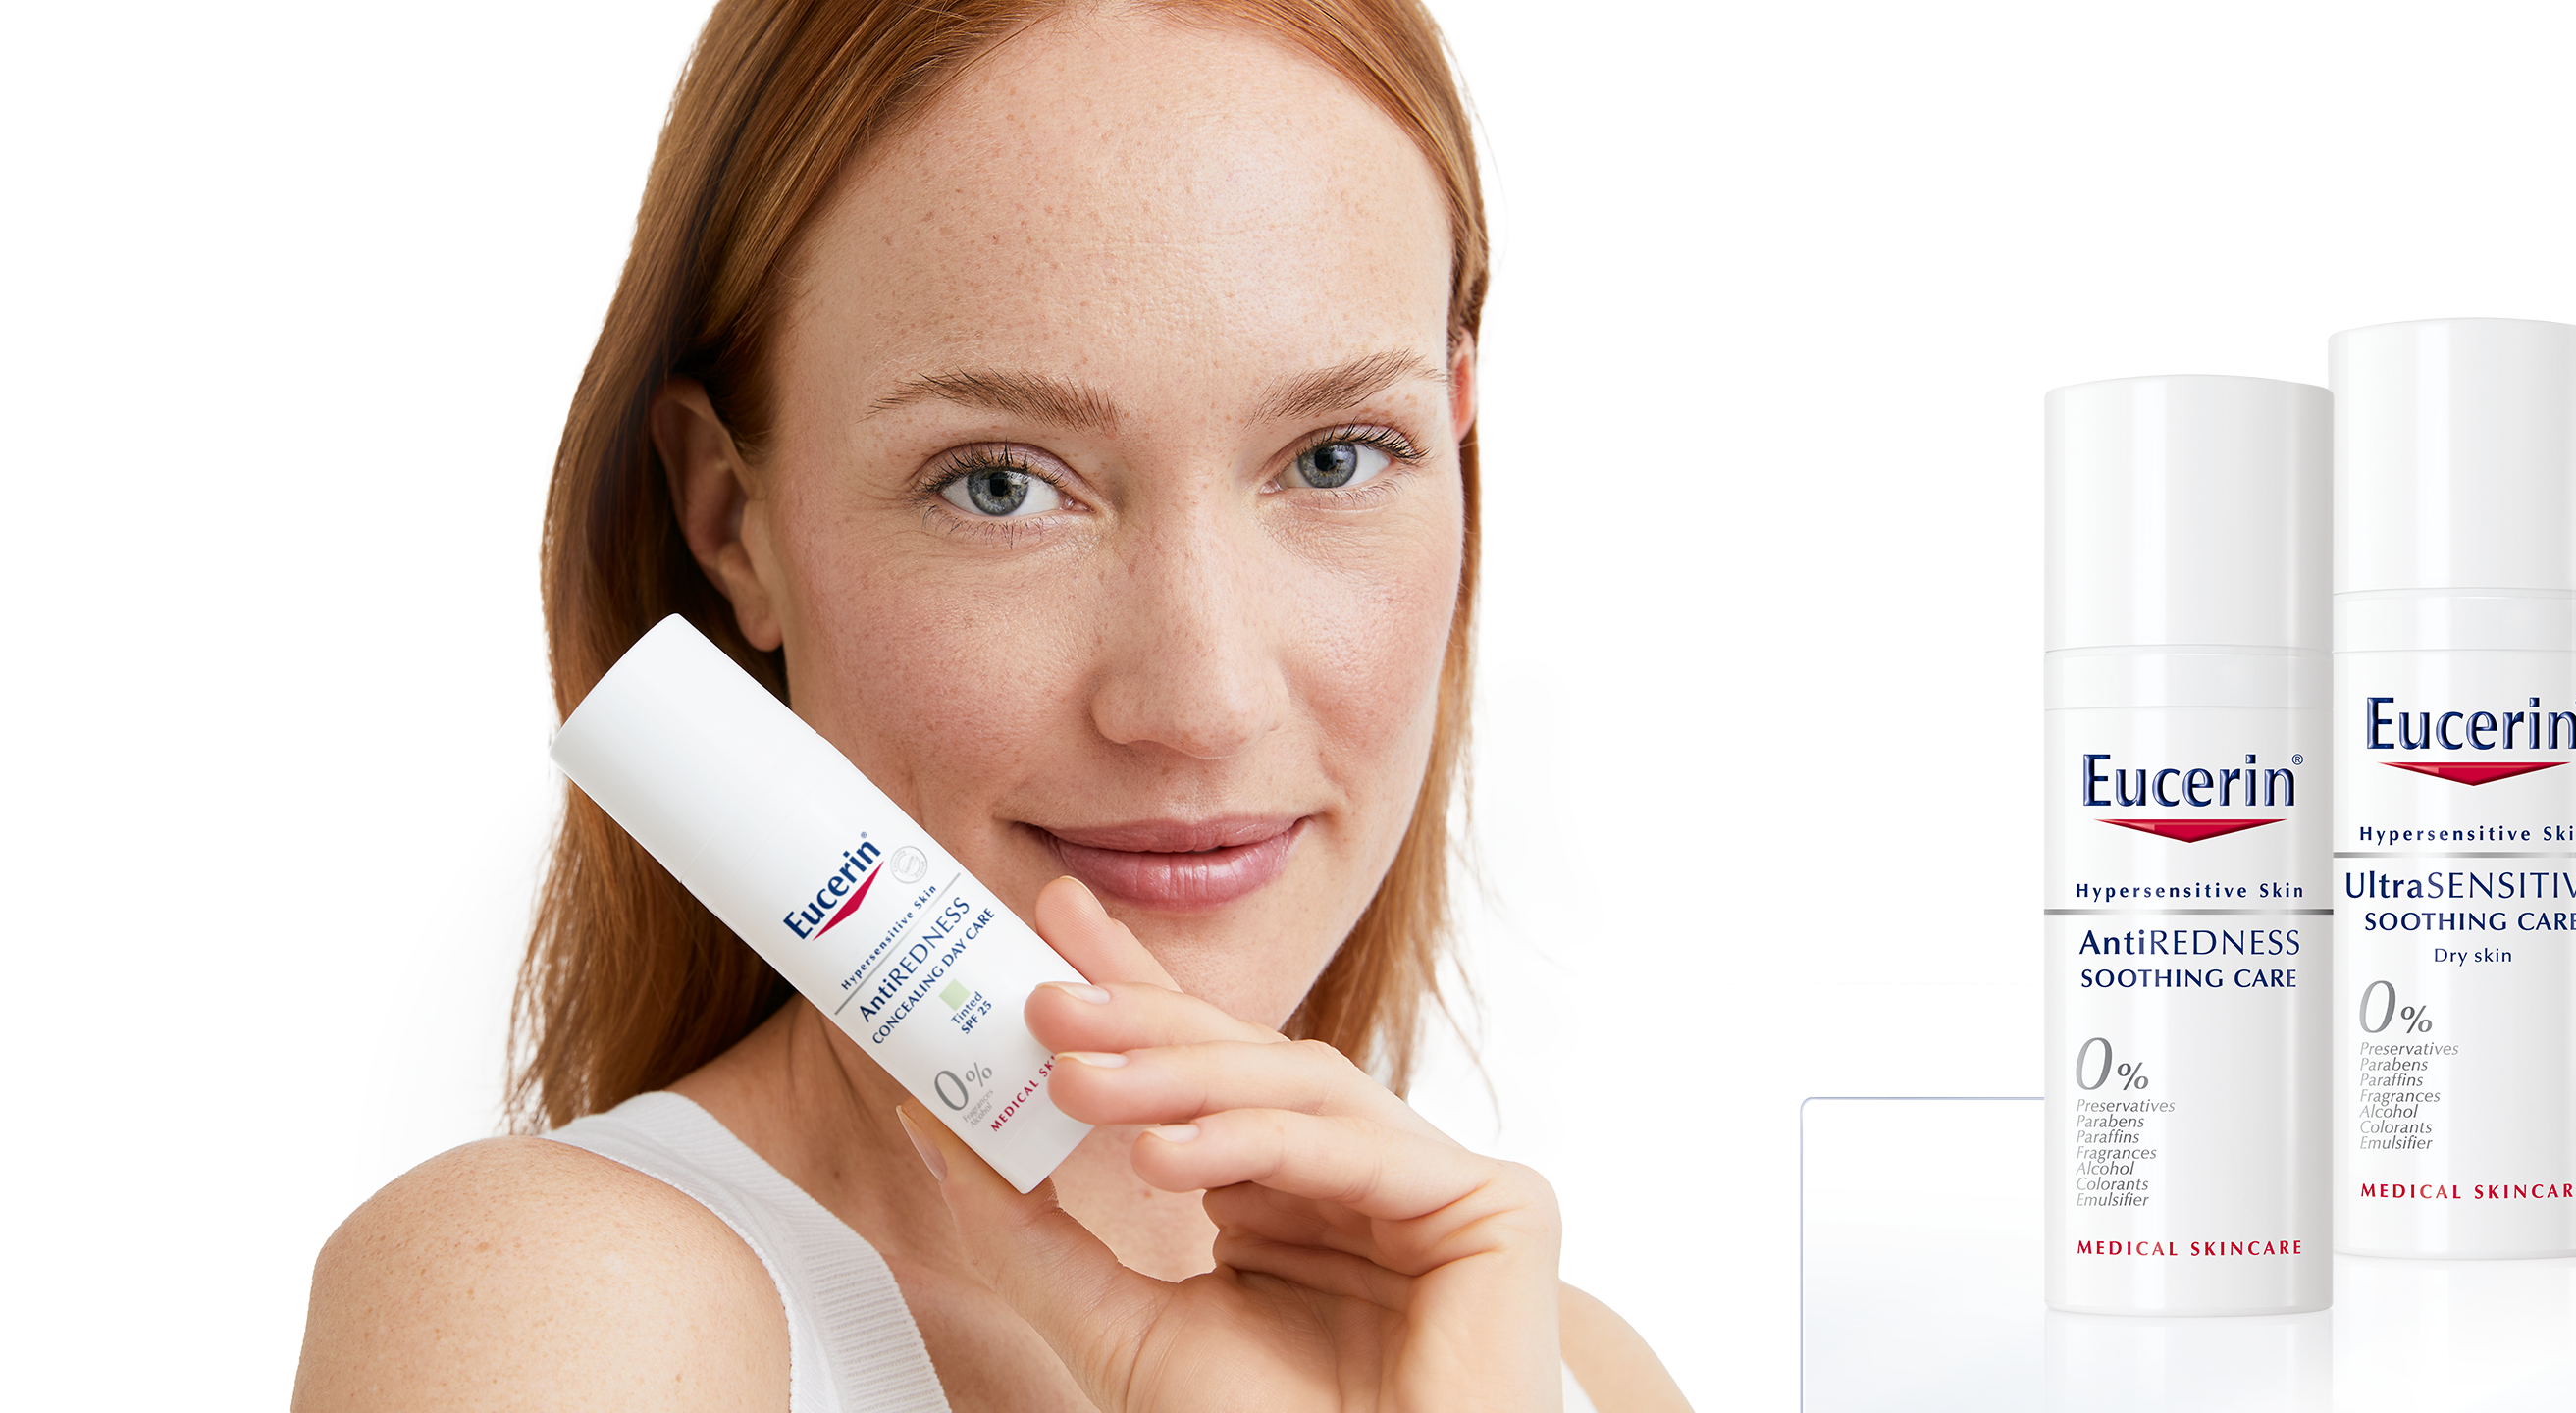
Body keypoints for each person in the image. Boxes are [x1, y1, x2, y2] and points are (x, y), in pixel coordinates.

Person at [299, 3, 1683, 1409]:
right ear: (731, 519)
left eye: (1335, 458)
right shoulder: (564, 1310)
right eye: (1000, 485)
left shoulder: (1558, 1369)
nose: (1202, 704)